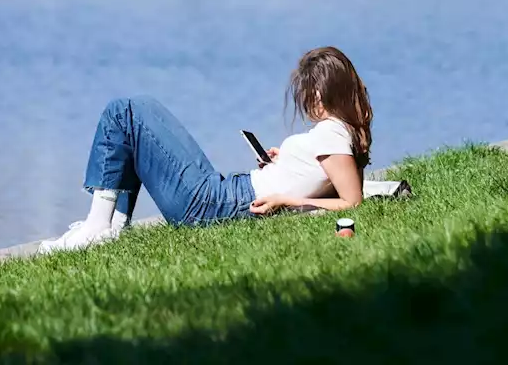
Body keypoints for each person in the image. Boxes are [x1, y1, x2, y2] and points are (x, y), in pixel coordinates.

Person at [39, 46, 373, 253]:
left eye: (311, 92)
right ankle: (110, 227)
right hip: (226, 195)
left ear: (327, 91)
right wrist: (282, 166)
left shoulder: (333, 134)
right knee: (136, 115)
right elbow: (329, 182)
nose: (307, 102)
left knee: (126, 112)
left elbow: (352, 202)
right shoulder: (338, 134)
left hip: (218, 204)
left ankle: (98, 226)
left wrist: (287, 200)